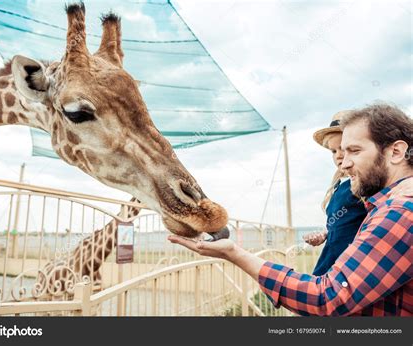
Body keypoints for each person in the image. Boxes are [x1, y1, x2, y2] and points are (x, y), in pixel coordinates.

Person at [169, 103, 412, 316]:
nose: (344, 162)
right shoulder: (381, 204)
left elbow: (325, 298)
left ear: (396, 151)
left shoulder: (399, 211)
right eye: (338, 151)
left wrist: (234, 253)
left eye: (354, 151)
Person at [305, 111, 413, 276]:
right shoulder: (340, 185)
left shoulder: (369, 185)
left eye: (349, 149)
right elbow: (348, 222)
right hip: (332, 259)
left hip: (353, 266)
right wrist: (327, 234)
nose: (340, 157)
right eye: (334, 151)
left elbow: (376, 220)